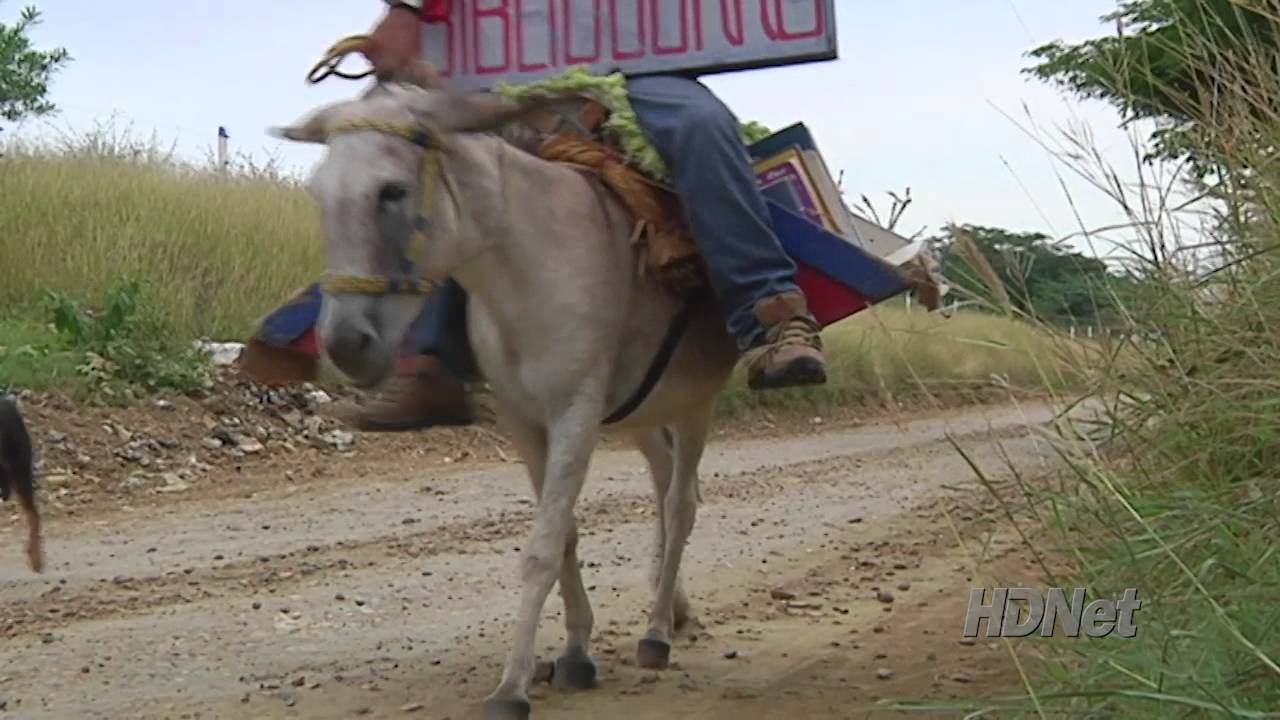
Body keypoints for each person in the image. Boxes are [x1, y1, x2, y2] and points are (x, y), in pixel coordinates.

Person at [239, 0, 829, 430]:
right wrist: (409, 11)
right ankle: (431, 364)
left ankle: (772, 320)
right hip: (509, 74)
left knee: (702, 128)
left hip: (637, 70)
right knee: (414, 148)